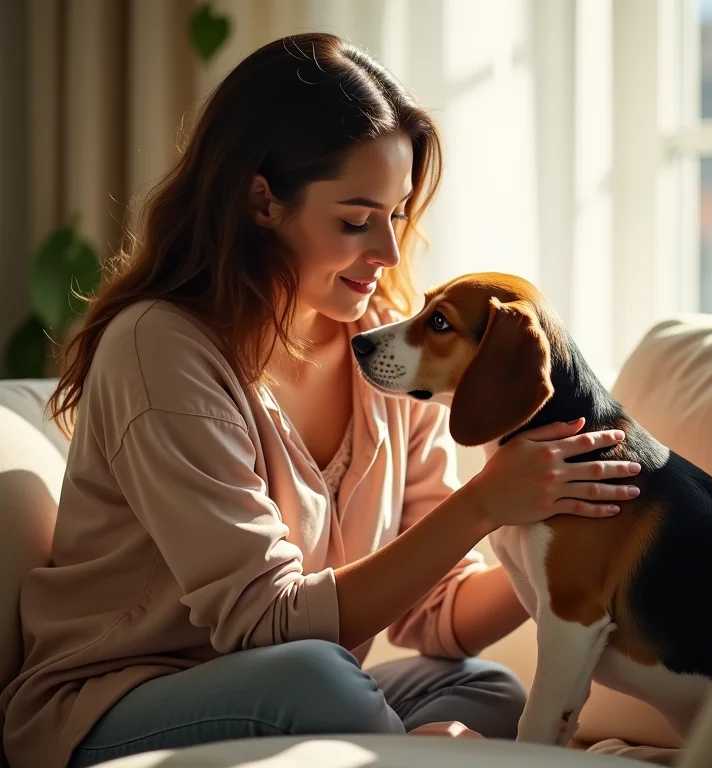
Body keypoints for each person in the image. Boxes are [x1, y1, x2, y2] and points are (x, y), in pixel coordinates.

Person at [0, 33, 642, 768]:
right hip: (114, 702)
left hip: (298, 680)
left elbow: (436, 615)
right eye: (354, 219)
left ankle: (412, 750)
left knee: (485, 688)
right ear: (262, 201)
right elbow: (267, 623)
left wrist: (566, 537)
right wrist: (484, 504)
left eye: (397, 215)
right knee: (324, 681)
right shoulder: (159, 349)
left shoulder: (384, 347)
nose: (390, 253)